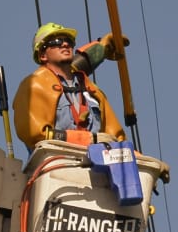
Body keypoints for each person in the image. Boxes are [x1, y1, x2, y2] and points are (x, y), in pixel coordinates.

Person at [12, 22, 127, 152]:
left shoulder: (91, 90)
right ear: (42, 55)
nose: (65, 44)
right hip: (58, 162)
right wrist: (86, 139)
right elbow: (36, 134)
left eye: (69, 41)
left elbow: (116, 137)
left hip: (99, 162)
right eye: (56, 41)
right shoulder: (34, 85)